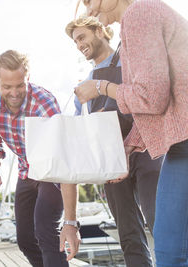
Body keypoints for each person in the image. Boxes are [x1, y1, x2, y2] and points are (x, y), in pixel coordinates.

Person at [74, 1, 188, 266]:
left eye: (90, 1)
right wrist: (128, 147)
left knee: (172, 249)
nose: (89, 11)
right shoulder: (138, 19)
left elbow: (151, 98)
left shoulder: (138, 14)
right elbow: (158, 103)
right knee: (171, 248)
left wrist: (102, 87)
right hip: (179, 146)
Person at [66, 15, 163, 266]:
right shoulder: (83, 86)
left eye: (82, 37)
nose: (79, 44)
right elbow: (82, 128)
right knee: (128, 234)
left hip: (146, 149)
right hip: (111, 161)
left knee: (161, 223)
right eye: (75, 41)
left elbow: (148, 99)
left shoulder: (130, 59)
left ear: (99, 30)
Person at [0, 50, 81, 266]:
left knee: (46, 230)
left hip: (52, 171)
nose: (15, 92)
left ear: (28, 77)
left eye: (20, 85)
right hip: (26, 171)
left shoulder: (44, 103)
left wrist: (71, 222)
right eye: (7, 87)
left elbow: (64, 159)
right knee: (25, 239)